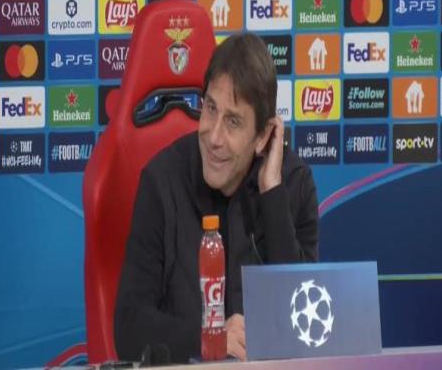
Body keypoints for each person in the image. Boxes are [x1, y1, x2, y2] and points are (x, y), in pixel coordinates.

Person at [114, 33, 319, 363]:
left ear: (263, 135)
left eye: (233, 121)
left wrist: (272, 195)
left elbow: (307, 327)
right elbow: (129, 327)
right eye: (210, 108)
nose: (213, 136)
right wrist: (211, 339)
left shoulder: (293, 185)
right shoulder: (161, 181)